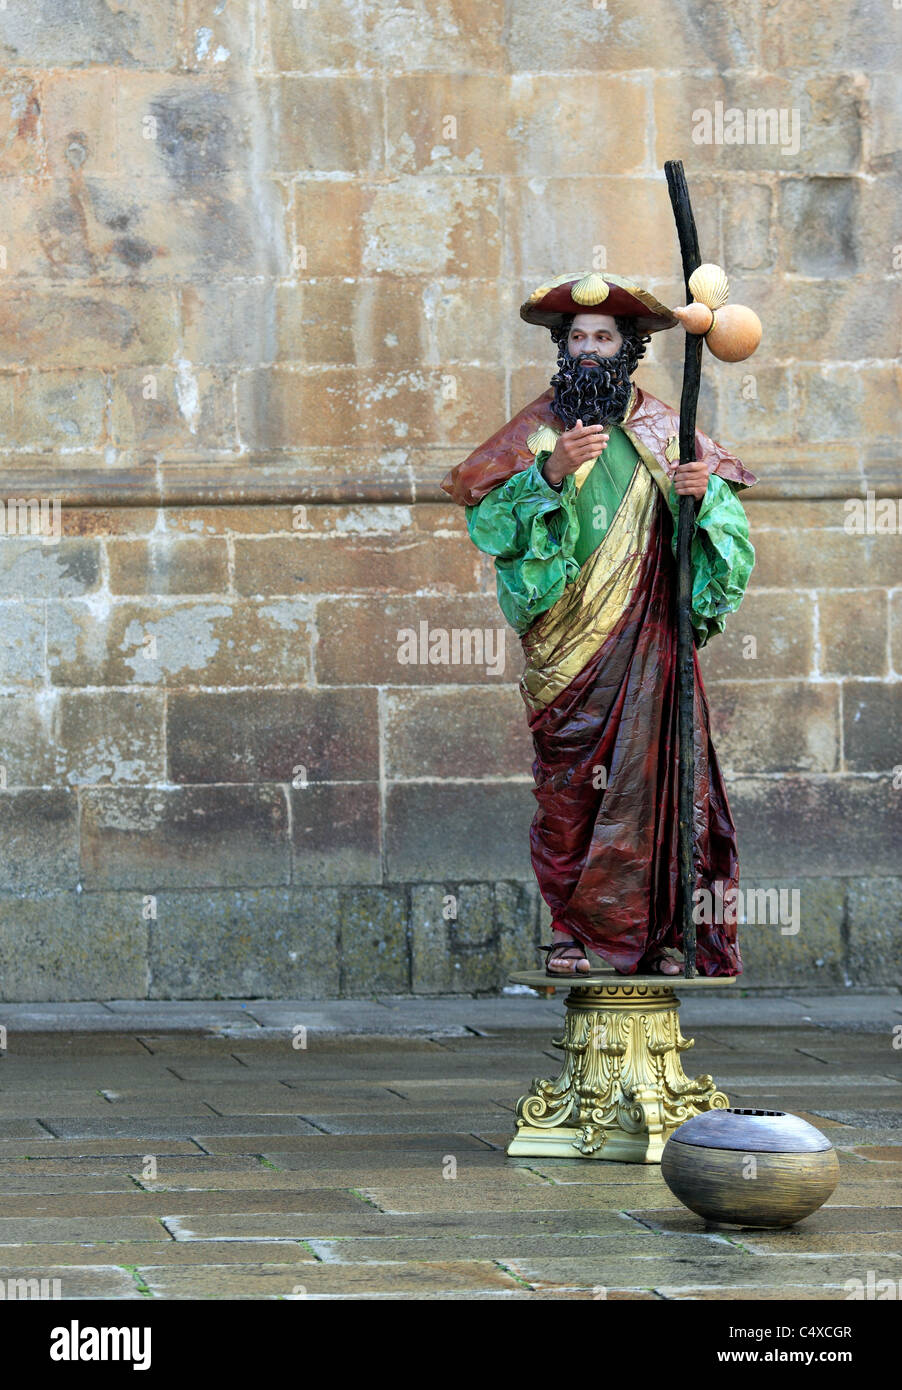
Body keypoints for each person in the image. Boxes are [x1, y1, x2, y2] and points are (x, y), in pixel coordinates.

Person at [441, 272, 756, 978]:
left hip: (649, 641)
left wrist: (700, 501)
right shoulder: (536, 432)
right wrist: (548, 474)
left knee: (661, 784)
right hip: (567, 653)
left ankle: (662, 934)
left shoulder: (665, 432)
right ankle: (572, 933)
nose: (587, 349)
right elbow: (489, 523)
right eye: (576, 337)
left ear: (628, 349)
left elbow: (729, 543)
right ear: (562, 347)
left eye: (602, 337)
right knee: (571, 790)